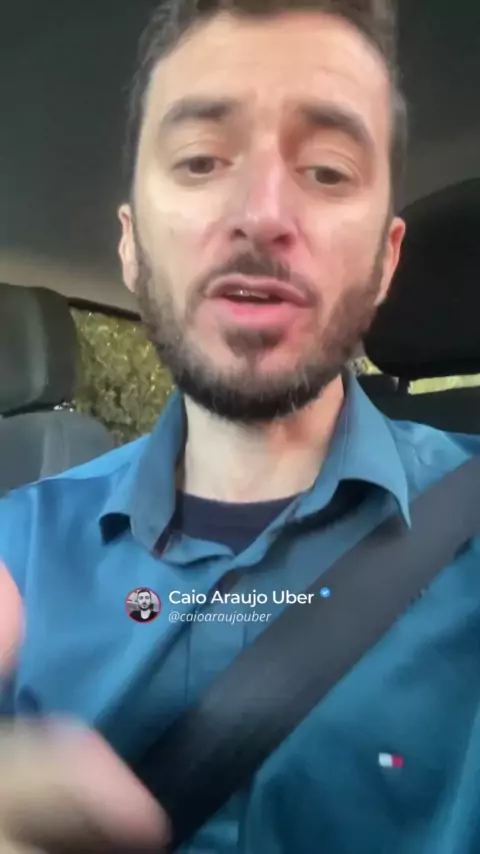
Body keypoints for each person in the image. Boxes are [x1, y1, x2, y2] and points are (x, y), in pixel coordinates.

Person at [0, 1, 478, 852]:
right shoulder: (15, 552)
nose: (261, 213)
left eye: (327, 170)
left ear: (386, 260)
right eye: (199, 159)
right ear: (130, 246)